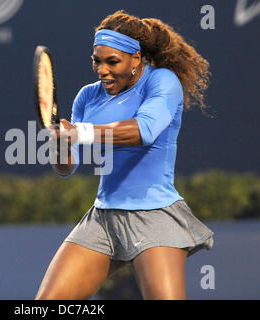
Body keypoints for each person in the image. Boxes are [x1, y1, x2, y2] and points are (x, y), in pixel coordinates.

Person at [35, 10, 214, 300]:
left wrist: (81, 132)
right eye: (96, 60)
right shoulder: (87, 97)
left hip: (154, 215)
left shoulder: (163, 82)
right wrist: (62, 143)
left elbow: (143, 131)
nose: (102, 70)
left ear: (136, 58)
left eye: (112, 61)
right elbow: (66, 167)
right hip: (103, 218)